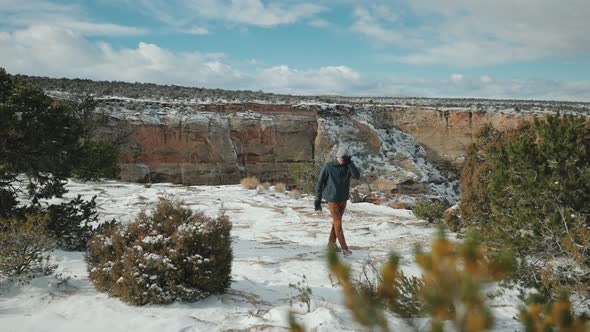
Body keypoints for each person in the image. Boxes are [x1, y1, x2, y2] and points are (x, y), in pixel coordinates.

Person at [314, 145, 360, 256]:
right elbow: (320, 183)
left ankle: (331, 244)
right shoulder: (328, 166)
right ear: (337, 156)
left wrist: (350, 164)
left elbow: (357, 176)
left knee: (335, 223)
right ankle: (345, 249)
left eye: (344, 158)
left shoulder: (348, 166)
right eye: (340, 157)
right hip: (332, 200)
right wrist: (317, 200)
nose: (342, 160)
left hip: (343, 200)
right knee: (338, 224)